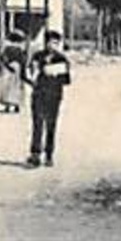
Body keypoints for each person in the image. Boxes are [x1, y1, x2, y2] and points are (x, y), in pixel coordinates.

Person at [24, 30, 71, 167]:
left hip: (54, 95)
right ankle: (35, 154)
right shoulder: (37, 56)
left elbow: (67, 80)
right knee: (37, 123)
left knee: (51, 125)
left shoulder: (61, 59)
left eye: (56, 43)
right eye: (50, 42)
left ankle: (49, 154)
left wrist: (56, 73)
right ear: (46, 43)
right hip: (39, 93)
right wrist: (34, 75)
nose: (53, 45)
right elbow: (28, 73)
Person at [0, 33, 26, 113]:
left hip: (8, 69)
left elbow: (2, 58)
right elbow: (22, 61)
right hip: (17, 68)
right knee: (16, 86)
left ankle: (8, 105)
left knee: (7, 86)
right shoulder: (20, 50)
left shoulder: (7, 49)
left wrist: (7, 65)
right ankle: (16, 105)